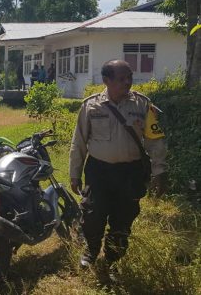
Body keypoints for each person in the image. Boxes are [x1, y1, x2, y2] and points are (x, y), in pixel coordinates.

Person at [69, 59, 168, 281]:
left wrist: (159, 171)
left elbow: (155, 140)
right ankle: (91, 251)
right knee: (93, 216)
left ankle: (113, 260)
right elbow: (79, 142)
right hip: (99, 172)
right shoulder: (91, 106)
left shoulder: (142, 105)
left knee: (123, 218)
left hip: (130, 173)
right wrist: (75, 173)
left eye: (129, 78)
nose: (128, 83)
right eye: (121, 79)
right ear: (106, 80)